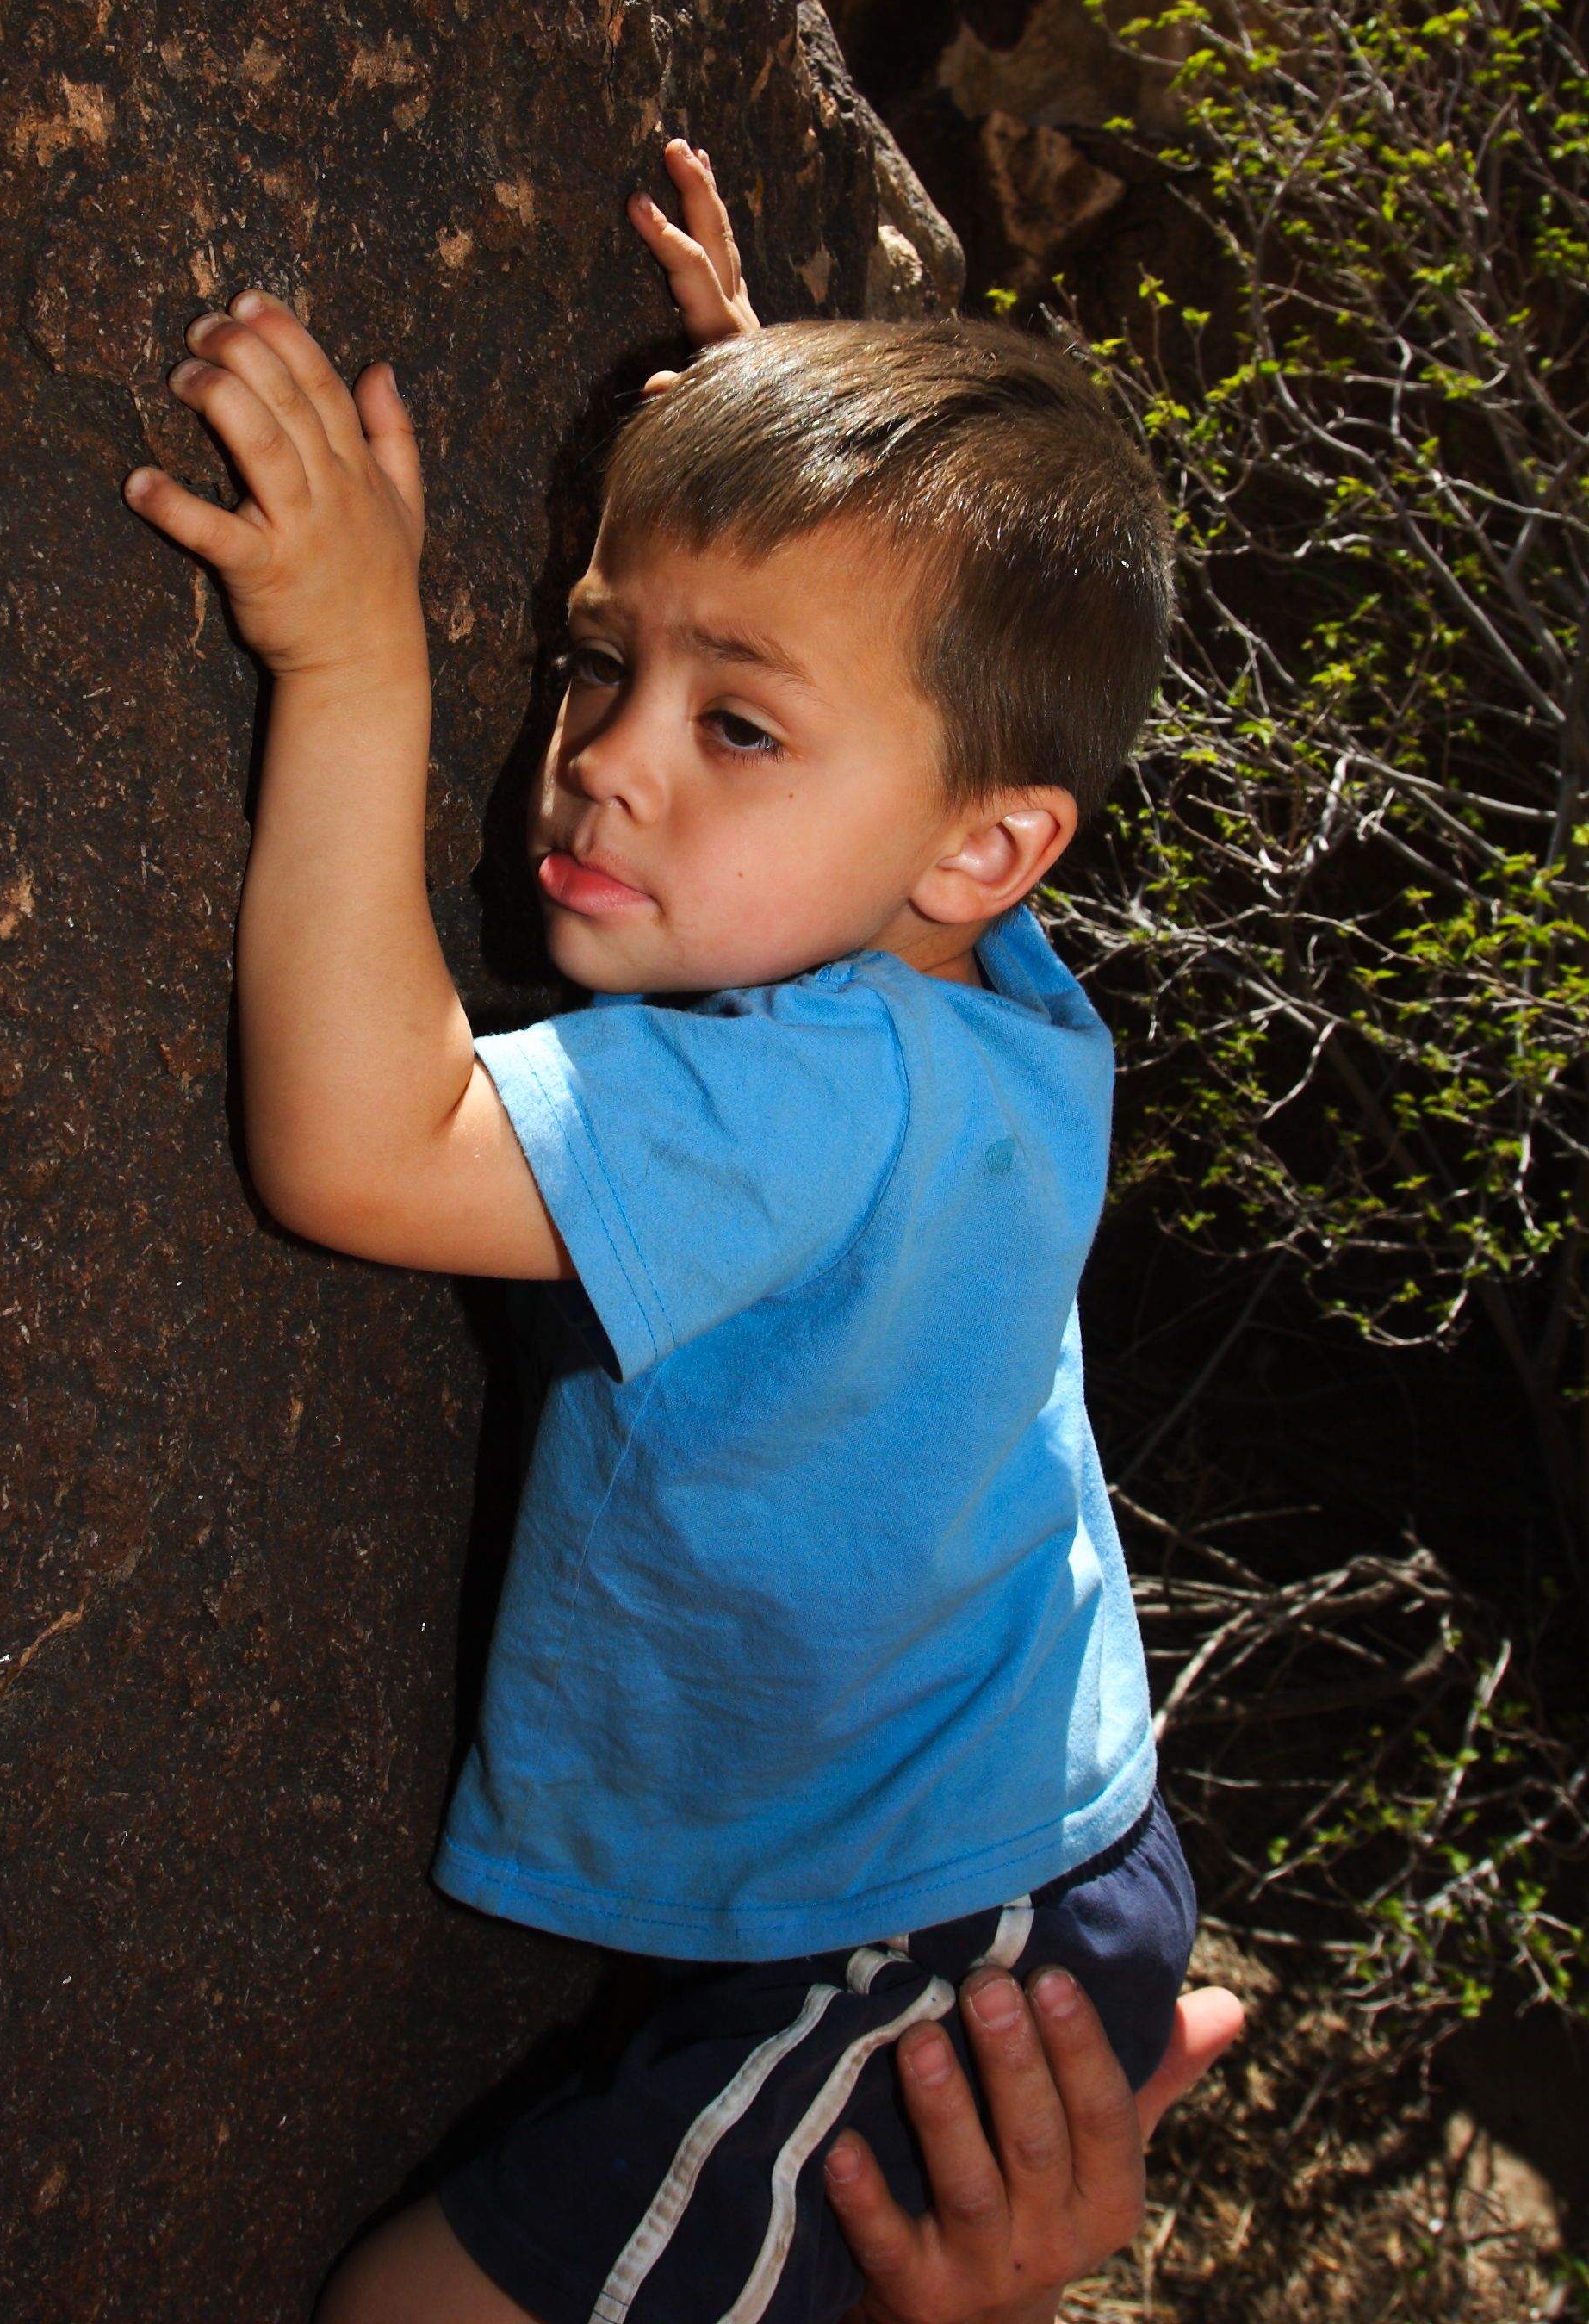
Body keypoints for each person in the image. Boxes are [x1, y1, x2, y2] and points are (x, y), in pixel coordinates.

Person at [124, 142, 1201, 2322]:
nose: (607, 759)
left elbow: (363, 1142)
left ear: (981, 841)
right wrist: (757, 411)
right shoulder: (956, 961)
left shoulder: (800, 1098)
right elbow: (899, 733)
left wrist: (349, 654)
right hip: (1007, 1843)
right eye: (600, 658)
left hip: (916, 1957)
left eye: (731, 722)